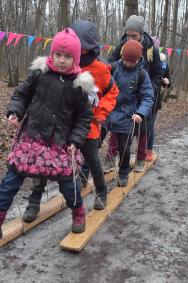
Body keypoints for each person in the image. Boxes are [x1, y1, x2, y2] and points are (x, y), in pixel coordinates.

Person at [0, 29, 94, 249]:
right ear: (52, 54)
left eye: (67, 56)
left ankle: (78, 213)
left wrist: (76, 140)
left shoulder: (79, 85)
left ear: (75, 58)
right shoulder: (39, 73)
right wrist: (15, 112)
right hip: (31, 137)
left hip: (61, 144)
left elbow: (85, 117)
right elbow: (21, 94)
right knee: (9, 182)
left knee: (69, 184)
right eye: (58, 54)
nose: (62, 60)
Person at [22, 20, 119, 223]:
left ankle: (101, 192)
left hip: (88, 125)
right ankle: (34, 201)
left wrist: (101, 113)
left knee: (92, 160)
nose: (80, 53)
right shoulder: (59, 65)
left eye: (85, 50)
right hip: (60, 126)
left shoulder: (100, 69)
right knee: (43, 162)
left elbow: (112, 91)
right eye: (78, 48)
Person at [105, 15, 162, 172]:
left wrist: (149, 88)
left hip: (144, 94)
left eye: (134, 35)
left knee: (142, 130)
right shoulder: (122, 46)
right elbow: (110, 65)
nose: (131, 38)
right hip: (123, 95)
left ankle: (140, 158)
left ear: (141, 34)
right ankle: (110, 158)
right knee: (117, 128)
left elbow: (157, 74)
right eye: (128, 34)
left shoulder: (152, 50)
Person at [103, 40, 154, 186]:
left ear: (138, 59)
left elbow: (148, 97)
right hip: (108, 111)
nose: (129, 64)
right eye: (126, 60)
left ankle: (124, 171)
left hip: (128, 116)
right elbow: (101, 86)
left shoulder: (142, 74)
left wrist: (140, 113)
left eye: (133, 61)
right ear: (122, 56)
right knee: (94, 141)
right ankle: (87, 171)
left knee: (124, 147)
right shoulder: (113, 68)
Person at [145, 52, 171, 161]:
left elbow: (168, 80)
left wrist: (167, 82)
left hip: (154, 100)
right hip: (138, 98)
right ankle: (140, 151)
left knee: (149, 126)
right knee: (139, 128)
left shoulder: (162, 63)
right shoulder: (143, 60)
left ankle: (148, 151)